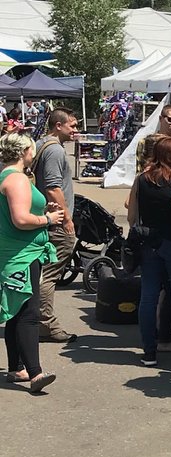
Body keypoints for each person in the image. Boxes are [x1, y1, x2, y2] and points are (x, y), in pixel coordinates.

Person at [0, 131, 63, 392]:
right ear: (24, 151)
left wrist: (42, 211)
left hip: (18, 252)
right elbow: (20, 219)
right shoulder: (17, 179)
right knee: (28, 313)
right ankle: (35, 373)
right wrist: (48, 219)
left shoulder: (8, 176)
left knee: (16, 311)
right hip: (21, 255)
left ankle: (17, 368)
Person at [129, 137, 171, 366]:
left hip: (148, 242)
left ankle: (149, 352)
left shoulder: (142, 179)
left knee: (148, 297)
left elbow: (131, 215)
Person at [32, 106, 79, 344]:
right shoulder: (55, 151)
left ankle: (35, 320)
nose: (76, 130)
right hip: (56, 221)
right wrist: (67, 218)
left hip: (45, 219)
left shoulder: (42, 144)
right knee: (49, 275)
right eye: (72, 125)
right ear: (58, 126)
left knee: (41, 272)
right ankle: (46, 324)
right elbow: (52, 188)